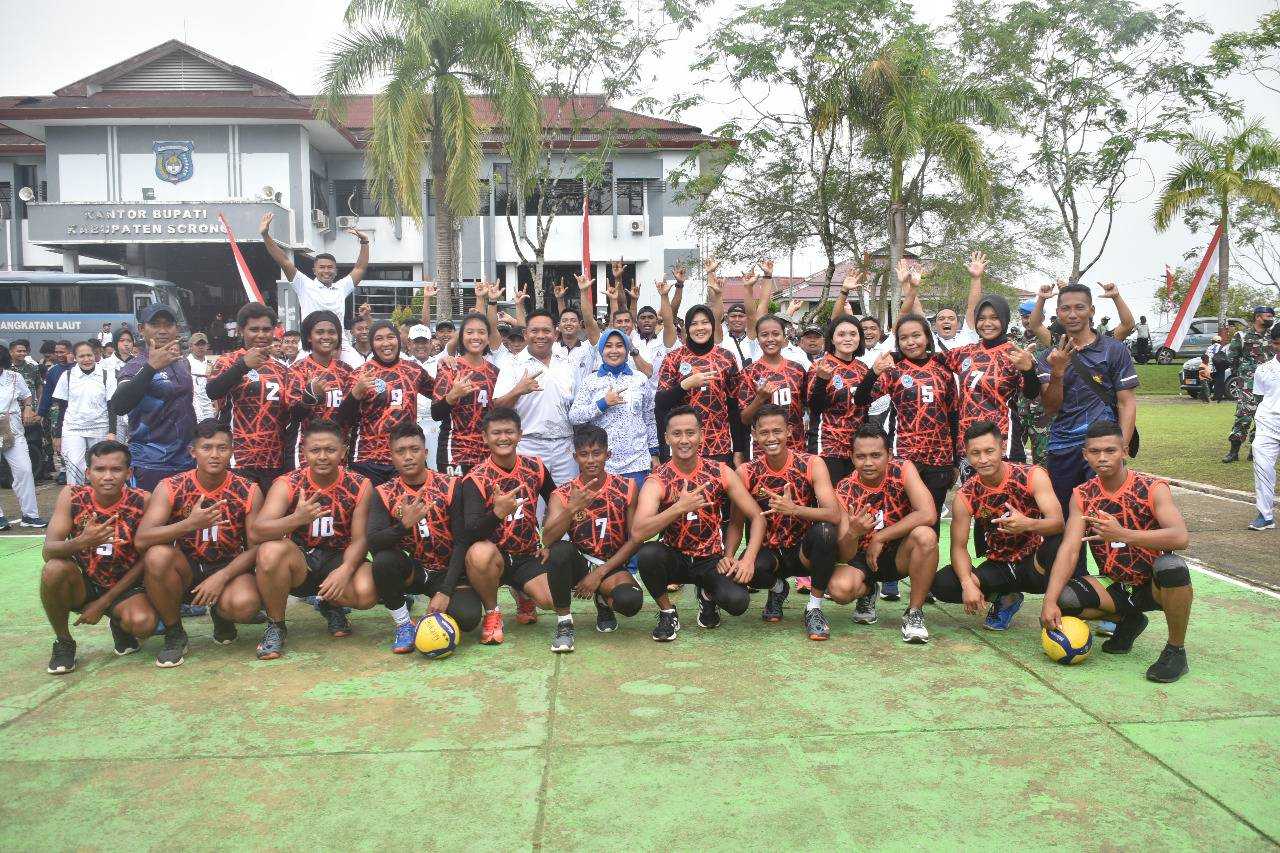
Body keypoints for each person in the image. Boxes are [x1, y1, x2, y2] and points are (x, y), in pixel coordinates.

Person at [1040, 421, 1193, 683]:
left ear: (1124, 451)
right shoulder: (1082, 495)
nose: (1102, 457)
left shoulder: (1153, 488)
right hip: (1116, 585)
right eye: (1095, 451)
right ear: (1085, 455)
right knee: (1065, 600)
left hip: (1153, 586)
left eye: (1110, 450)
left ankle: (1175, 651)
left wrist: (1124, 535)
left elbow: (1180, 537)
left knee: (1172, 567)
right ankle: (1129, 620)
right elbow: (1069, 550)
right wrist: (1049, 601)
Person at [632, 406, 769, 641]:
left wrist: (744, 558)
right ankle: (667, 611)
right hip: (674, 557)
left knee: (738, 602)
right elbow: (638, 532)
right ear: (667, 438)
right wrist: (678, 508)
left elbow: (757, 516)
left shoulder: (720, 472)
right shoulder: (658, 479)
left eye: (690, 433)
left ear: (701, 435)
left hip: (710, 559)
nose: (684, 440)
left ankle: (707, 596)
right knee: (648, 554)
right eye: (677, 434)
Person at [136, 419, 263, 667]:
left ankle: (222, 614)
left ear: (232, 451)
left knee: (244, 605)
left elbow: (256, 546)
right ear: (192, 451)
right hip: (186, 566)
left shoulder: (248, 489)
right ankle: (174, 632)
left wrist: (223, 576)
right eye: (206, 448)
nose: (214, 455)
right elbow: (142, 538)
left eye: (222, 448)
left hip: (229, 565)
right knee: (157, 556)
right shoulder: (171, 486)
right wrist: (189, 524)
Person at [249, 419, 375, 660]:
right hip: (300, 561)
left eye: (330, 450)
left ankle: (331, 604)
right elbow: (257, 532)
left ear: (343, 451)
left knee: (366, 592)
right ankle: (276, 625)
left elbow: (360, 539)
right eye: (315, 450)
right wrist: (297, 518)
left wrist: (346, 570)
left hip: (338, 558)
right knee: (269, 552)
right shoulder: (288, 483)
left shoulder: (360, 485)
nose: (323, 456)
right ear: (304, 451)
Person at [931, 421, 1065, 629]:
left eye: (989, 451)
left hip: (1036, 563)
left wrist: (1027, 524)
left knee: (1061, 542)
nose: (983, 459)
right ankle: (1005, 598)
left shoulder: (1032, 475)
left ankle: (1056, 600)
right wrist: (967, 584)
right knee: (943, 584)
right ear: (967, 455)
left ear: (1002, 448)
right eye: (975, 453)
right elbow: (958, 548)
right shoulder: (966, 495)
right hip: (1000, 566)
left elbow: (1057, 523)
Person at [40, 440, 157, 673]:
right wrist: (82, 541)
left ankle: (119, 624)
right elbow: (48, 551)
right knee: (53, 569)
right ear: (88, 473)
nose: (108, 476)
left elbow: (147, 560)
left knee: (144, 624)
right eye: (100, 469)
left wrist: (103, 603)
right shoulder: (72, 495)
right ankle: (64, 641)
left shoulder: (143, 500)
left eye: (116, 469)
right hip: (84, 582)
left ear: (128, 473)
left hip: (126, 585)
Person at [457, 408, 567, 650]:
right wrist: (497, 513)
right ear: (485, 437)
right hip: (493, 557)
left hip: (526, 554)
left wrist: (548, 541)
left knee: (551, 600)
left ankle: (523, 593)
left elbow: (556, 498)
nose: (503, 438)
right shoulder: (475, 478)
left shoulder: (535, 466)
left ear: (520, 434)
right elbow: (471, 531)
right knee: (479, 553)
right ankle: (492, 612)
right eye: (496, 433)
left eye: (509, 432)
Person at [367, 423, 482, 653]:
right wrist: (403, 526)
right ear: (392, 456)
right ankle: (403, 624)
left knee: (468, 619)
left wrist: (445, 591)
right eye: (400, 451)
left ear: (425, 452)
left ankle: (439, 603)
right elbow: (374, 542)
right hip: (413, 570)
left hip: (448, 571)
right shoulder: (383, 492)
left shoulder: (451, 486)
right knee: (383, 561)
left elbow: (462, 542)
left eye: (415, 449)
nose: (408, 457)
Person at [735, 405, 841, 639]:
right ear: (754, 435)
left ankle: (814, 608)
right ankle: (778, 588)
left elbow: (834, 514)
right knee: (747, 569)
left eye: (777, 431)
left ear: (789, 431)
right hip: (769, 553)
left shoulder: (811, 463)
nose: (771, 438)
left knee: (826, 533)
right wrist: (730, 557)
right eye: (764, 432)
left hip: (803, 551)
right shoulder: (746, 471)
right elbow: (735, 522)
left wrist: (795, 510)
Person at [824, 425, 938, 643]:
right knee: (839, 590)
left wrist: (880, 536)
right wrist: (853, 533)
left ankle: (914, 612)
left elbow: (928, 513)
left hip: (898, 553)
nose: (868, 463)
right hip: (861, 559)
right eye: (861, 456)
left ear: (889, 455)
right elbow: (844, 555)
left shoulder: (903, 469)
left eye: (876, 455)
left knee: (926, 535)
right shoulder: (844, 489)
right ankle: (868, 591)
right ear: (852, 457)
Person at [1036, 284, 1139, 523]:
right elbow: (1050, 407)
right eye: (1065, 309)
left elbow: (1126, 403)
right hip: (1062, 446)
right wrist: (1057, 372)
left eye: (1079, 308)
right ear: (1058, 313)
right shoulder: (1048, 357)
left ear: (1091, 310)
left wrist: (1120, 448)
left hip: (1102, 447)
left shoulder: (1114, 350)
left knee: (1105, 521)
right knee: (1064, 521)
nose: (1072, 314)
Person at [542, 426, 646, 633]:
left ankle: (603, 600)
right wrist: (572, 508)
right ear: (575, 457)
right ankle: (564, 621)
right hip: (580, 562)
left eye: (596, 453)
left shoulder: (627, 487)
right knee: (559, 550)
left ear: (608, 454)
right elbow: (548, 539)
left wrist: (599, 574)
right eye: (583, 454)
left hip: (611, 562)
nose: (590, 460)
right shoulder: (562, 493)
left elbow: (636, 539)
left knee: (630, 601)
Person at [856, 315, 958, 527]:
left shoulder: (944, 372)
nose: (910, 342)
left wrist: (955, 461)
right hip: (905, 457)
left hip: (939, 459)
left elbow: (953, 417)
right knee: (901, 519)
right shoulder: (893, 371)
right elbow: (861, 399)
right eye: (903, 338)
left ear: (927, 338)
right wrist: (874, 372)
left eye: (916, 335)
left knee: (931, 522)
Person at [205, 303, 297, 495]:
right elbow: (213, 391)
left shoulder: (283, 369)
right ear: (241, 331)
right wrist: (243, 366)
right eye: (254, 329)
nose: (261, 335)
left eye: (266, 329)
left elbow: (290, 415)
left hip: (273, 461)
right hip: (237, 460)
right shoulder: (228, 361)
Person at [110, 304, 196, 491]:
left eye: (168, 325)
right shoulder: (135, 366)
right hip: (150, 463)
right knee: (151, 511)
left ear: (177, 329)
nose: (162, 330)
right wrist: (150, 368)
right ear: (142, 329)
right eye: (155, 324)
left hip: (186, 461)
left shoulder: (183, 363)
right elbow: (118, 405)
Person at [341, 321, 434, 486]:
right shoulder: (360, 374)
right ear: (372, 343)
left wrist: (449, 361)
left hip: (405, 458)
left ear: (398, 340)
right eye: (379, 339)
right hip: (367, 459)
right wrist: (356, 393)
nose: (386, 343)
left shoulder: (414, 370)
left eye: (390, 337)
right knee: (370, 503)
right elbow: (343, 419)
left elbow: (441, 396)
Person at [493, 309, 579, 486]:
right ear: (525, 334)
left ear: (555, 334)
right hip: (528, 446)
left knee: (566, 500)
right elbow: (497, 407)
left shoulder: (567, 364)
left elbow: (578, 407)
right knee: (530, 501)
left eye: (546, 331)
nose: (541, 336)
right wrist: (517, 391)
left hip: (565, 448)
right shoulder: (512, 365)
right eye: (534, 331)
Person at [260, 211, 369, 344]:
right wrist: (265, 235)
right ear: (314, 271)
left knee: (358, 359)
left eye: (330, 267)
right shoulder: (304, 284)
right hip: (311, 344)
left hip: (339, 344)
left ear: (335, 271)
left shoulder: (341, 287)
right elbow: (284, 261)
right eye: (322, 267)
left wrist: (365, 242)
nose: (326, 271)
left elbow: (359, 268)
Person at [569, 327, 658, 487]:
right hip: (602, 465)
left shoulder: (640, 379)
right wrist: (602, 403)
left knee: (637, 503)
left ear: (627, 350)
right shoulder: (590, 381)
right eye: (608, 346)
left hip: (637, 462)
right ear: (601, 350)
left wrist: (654, 453)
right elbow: (574, 417)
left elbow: (649, 419)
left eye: (619, 346)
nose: (614, 351)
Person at [656, 304, 744, 465]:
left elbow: (734, 407)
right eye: (694, 324)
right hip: (683, 446)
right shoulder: (674, 358)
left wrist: (739, 449)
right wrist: (685, 385)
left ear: (713, 325)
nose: (700, 328)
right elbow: (661, 403)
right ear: (687, 328)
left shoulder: (726, 357)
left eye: (705, 322)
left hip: (718, 445)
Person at [432, 312, 500, 475]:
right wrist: (453, 395)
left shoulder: (495, 372)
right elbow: (436, 413)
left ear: (488, 338)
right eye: (469, 332)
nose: (476, 337)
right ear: (461, 337)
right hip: (455, 451)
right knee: (455, 492)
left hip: (487, 452)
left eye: (481, 332)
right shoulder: (450, 367)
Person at [805, 315, 867, 484]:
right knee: (830, 495)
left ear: (860, 338)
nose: (848, 339)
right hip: (828, 444)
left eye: (853, 334)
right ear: (832, 339)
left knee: (853, 495)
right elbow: (814, 407)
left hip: (857, 447)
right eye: (841, 334)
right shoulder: (820, 366)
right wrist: (821, 380)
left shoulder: (863, 368)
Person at [289, 310, 354, 467]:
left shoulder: (347, 371)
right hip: (307, 451)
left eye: (332, 332)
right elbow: (292, 415)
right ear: (309, 337)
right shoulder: (296, 370)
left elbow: (352, 414)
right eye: (319, 332)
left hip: (338, 449)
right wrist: (310, 397)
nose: (326, 336)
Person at [738, 315, 808, 458]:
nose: (770, 339)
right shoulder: (749, 373)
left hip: (795, 446)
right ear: (758, 338)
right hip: (762, 450)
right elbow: (744, 419)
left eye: (776, 334)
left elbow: (808, 406)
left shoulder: (798, 370)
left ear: (784, 336)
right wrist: (760, 399)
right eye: (764, 335)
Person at [53, 341, 116, 486]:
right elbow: (61, 408)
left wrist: (112, 432)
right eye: (81, 356)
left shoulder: (107, 375)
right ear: (75, 358)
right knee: (74, 466)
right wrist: (57, 435)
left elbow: (112, 406)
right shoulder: (67, 376)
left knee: (101, 466)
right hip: (73, 428)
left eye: (89, 355)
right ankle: (76, 498)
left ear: (95, 355)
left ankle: (101, 499)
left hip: (100, 427)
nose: (86, 359)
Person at [1223, 306, 1276, 463]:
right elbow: (1232, 358)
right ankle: (1234, 452)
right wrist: (1243, 375)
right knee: (1243, 417)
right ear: (1258, 317)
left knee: (1264, 418)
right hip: (1248, 385)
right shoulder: (1242, 336)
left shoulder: (1274, 336)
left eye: (1272, 316)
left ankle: (1255, 450)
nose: (1271, 318)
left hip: (1269, 386)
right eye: (1268, 316)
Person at [0, 344, 44, 528]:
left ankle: (30, 515)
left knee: (24, 470)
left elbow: (27, 396)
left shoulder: (14, 377)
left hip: (12, 428)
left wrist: (27, 407)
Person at [1247, 323, 1280, 530]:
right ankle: (1265, 515)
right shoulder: (1263, 369)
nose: (1279, 348)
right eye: (1276, 343)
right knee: (1262, 468)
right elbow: (1260, 396)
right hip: (1268, 424)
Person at [8, 339, 45, 484]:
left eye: (24, 351)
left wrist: (39, 408)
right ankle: (9, 476)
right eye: (19, 351)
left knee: (34, 442)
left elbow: (39, 387)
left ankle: (37, 474)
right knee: (11, 444)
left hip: (30, 412)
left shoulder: (32, 368)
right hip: (11, 413)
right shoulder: (6, 369)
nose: (22, 353)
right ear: (11, 352)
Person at [186, 333, 216, 421]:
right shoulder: (185, 362)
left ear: (207, 346)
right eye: (197, 344)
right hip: (193, 403)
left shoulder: (210, 363)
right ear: (191, 346)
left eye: (203, 344)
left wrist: (216, 403)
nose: (201, 347)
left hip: (208, 403)